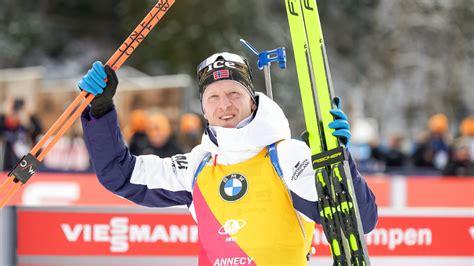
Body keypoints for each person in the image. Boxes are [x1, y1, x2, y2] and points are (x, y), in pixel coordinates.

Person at [79, 53, 377, 265]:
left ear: (252, 98)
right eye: (213, 97)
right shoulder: (197, 165)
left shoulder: (287, 155)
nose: (225, 105)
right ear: (204, 110)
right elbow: (120, 175)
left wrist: (340, 159)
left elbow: (358, 221)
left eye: (234, 93)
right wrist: (101, 111)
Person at [0, 98, 42, 171]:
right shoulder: (5, 119)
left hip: (28, 155)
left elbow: (37, 132)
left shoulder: (32, 119)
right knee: (7, 178)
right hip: (9, 157)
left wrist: (27, 121)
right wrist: (5, 116)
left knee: (27, 178)